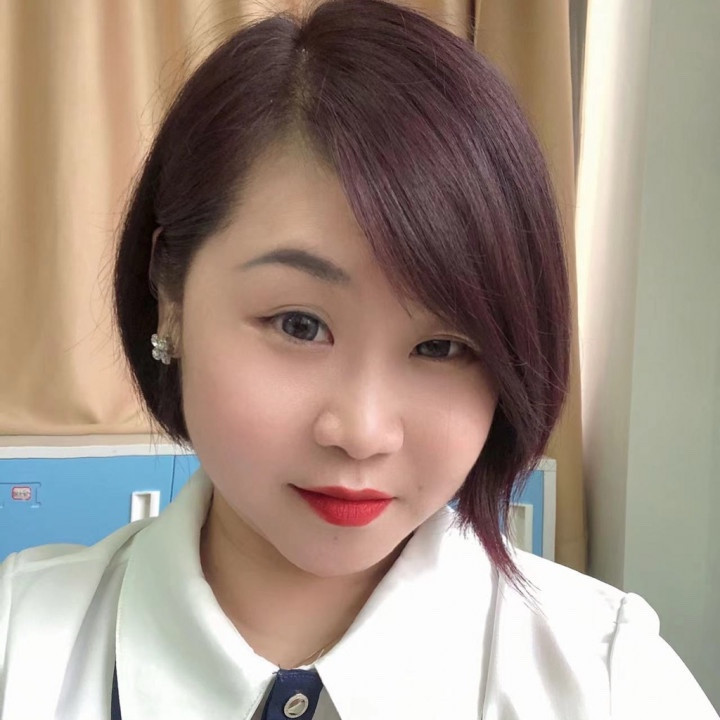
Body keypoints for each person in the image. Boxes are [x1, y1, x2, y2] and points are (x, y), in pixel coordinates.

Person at [0, 0, 717, 718]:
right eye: (299, 325)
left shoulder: (611, 682)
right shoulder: (19, 647)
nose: (363, 432)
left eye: (442, 347)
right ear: (169, 294)